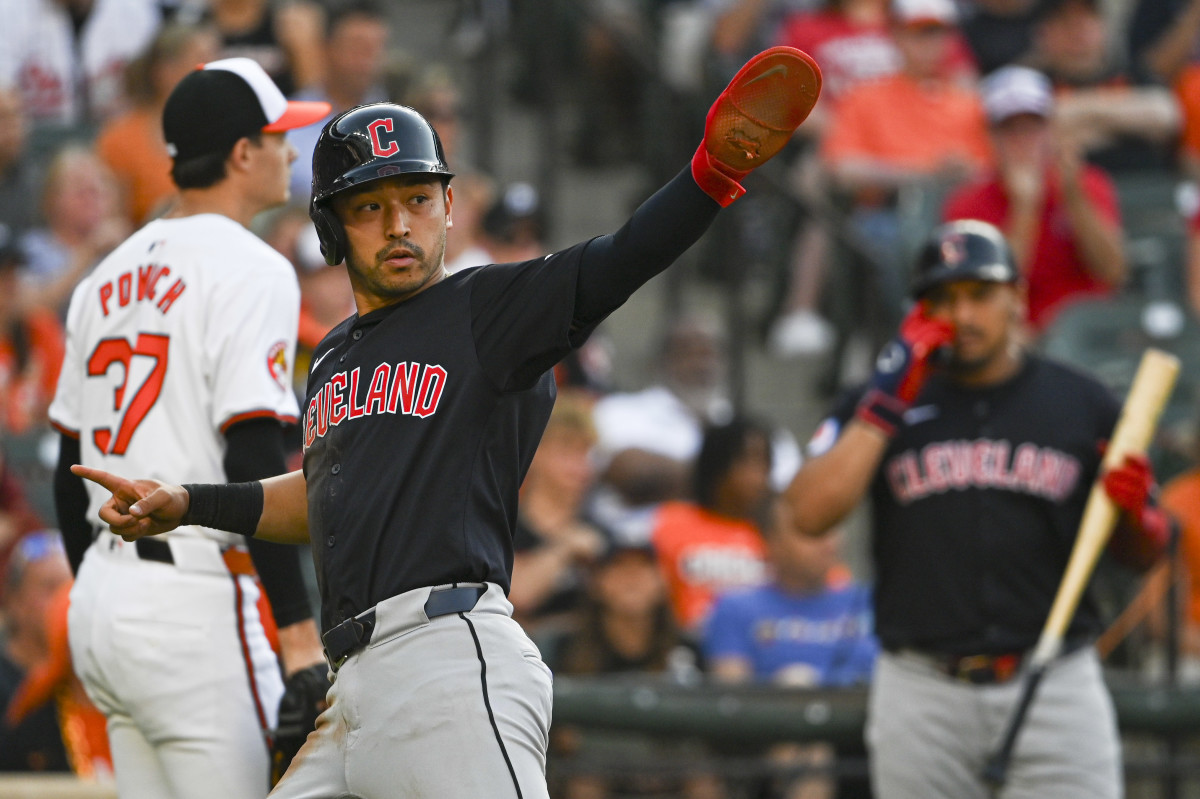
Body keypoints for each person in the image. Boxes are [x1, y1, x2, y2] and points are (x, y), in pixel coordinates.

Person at [68, 45, 824, 799]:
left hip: (450, 658)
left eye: (418, 199)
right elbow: (324, 495)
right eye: (370, 206)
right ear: (332, 230)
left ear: (450, 207)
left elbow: (618, 259)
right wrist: (191, 503)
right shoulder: (331, 355)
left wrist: (708, 178)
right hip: (354, 685)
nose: (400, 224)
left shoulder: (487, 309)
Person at [784, 218, 1172, 798]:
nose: (962, 317)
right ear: (919, 311)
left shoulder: (1082, 401)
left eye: (979, 295)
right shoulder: (877, 401)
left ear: (1015, 297)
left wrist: (1138, 515)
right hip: (923, 690)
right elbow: (808, 513)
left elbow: (1145, 553)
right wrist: (886, 402)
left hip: (1054, 681)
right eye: (943, 299)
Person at [47, 57, 331, 799]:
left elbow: (65, 463)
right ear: (242, 153)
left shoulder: (103, 274)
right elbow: (251, 450)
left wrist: (96, 594)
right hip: (195, 609)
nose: (289, 152)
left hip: (105, 601)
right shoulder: (253, 266)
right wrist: (299, 633)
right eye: (278, 136)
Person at [942, 65, 1125, 333]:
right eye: (1010, 130)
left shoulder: (1087, 182)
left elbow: (1113, 272)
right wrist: (1025, 208)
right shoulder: (968, 204)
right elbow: (990, 297)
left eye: (1032, 127)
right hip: (1016, 339)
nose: (1023, 141)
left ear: (1050, 130)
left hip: (1089, 333)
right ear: (991, 136)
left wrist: (1075, 198)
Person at [650, 416, 775, 635]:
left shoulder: (777, 533)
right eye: (747, 461)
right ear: (716, 464)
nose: (758, 476)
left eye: (765, 463)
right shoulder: (671, 522)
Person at [95, 21, 222, 227]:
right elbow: (112, 224)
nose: (214, 68)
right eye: (202, 59)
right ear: (165, 71)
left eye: (215, 57)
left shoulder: (226, 130)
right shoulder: (119, 139)